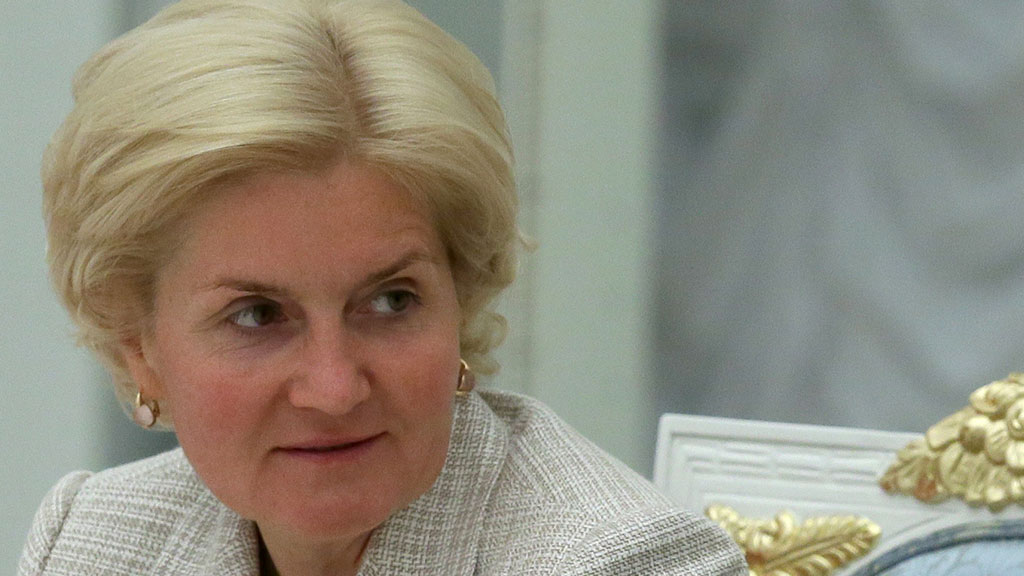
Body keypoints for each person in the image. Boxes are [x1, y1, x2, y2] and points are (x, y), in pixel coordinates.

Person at [18, 1, 746, 574]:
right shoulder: (93, 542)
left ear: (460, 299)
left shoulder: (615, 562)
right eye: (258, 315)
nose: (334, 389)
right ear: (140, 350)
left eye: (391, 301)